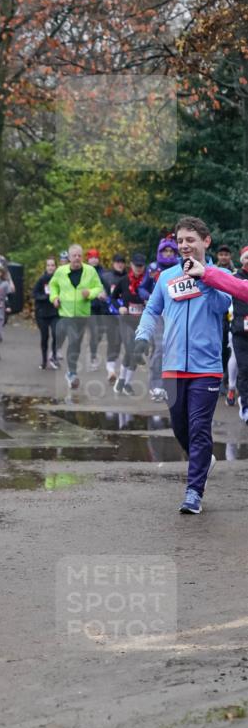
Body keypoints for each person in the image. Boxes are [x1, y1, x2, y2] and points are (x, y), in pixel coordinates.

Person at [134, 216, 231, 514]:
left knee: (199, 427)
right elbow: (152, 310)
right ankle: (204, 460)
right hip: (173, 365)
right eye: (180, 241)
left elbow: (222, 306)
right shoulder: (166, 277)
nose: (185, 245)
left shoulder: (220, 274)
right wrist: (142, 336)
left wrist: (205, 277)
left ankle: (193, 492)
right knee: (180, 426)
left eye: (191, 240)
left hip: (206, 367)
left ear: (206, 241)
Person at [195, 245, 248, 423]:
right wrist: (205, 273)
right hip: (238, 328)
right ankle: (237, 394)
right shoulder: (235, 276)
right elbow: (237, 287)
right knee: (240, 362)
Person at [48, 244, 104, 389]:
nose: (77, 258)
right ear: (69, 257)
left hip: (82, 314)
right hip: (65, 313)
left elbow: (98, 287)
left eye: (79, 255)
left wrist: (90, 294)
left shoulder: (90, 271)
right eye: (74, 256)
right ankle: (72, 373)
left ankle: (70, 371)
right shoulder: (60, 271)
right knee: (73, 339)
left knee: (76, 344)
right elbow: (53, 285)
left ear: (82, 257)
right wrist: (54, 298)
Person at [142, 235, 179, 402]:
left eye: (172, 251)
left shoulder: (181, 267)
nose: (169, 254)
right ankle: (156, 385)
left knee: (174, 349)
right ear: (160, 251)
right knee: (159, 348)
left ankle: (172, 384)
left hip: (176, 314)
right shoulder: (153, 268)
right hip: (158, 314)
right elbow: (142, 288)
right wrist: (151, 296)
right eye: (166, 251)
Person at [110, 252, 150, 396]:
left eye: (141, 266)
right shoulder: (124, 280)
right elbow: (113, 297)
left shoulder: (149, 281)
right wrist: (119, 307)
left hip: (142, 322)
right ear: (131, 265)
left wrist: (149, 302)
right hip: (126, 320)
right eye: (136, 265)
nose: (139, 268)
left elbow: (156, 298)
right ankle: (121, 379)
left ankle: (126, 383)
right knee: (130, 348)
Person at [102, 253, 126, 383]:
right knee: (114, 342)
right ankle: (111, 370)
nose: (120, 264)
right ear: (113, 263)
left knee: (128, 344)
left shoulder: (130, 277)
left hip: (126, 316)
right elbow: (98, 290)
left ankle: (123, 372)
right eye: (117, 262)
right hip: (111, 315)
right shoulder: (106, 277)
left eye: (122, 262)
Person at [32, 256, 60, 369]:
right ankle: (44, 361)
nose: (50, 267)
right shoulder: (42, 280)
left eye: (52, 265)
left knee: (56, 333)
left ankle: (54, 357)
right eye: (48, 265)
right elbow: (35, 294)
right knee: (45, 337)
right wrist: (46, 297)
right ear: (46, 267)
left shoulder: (59, 280)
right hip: (42, 313)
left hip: (55, 312)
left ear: (56, 267)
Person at [86, 248, 105, 370]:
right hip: (89, 306)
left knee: (100, 333)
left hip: (102, 306)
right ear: (88, 259)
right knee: (94, 331)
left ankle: (93, 346)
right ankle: (93, 357)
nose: (94, 260)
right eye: (92, 257)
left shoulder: (103, 272)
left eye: (96, 257)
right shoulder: (84, 272)